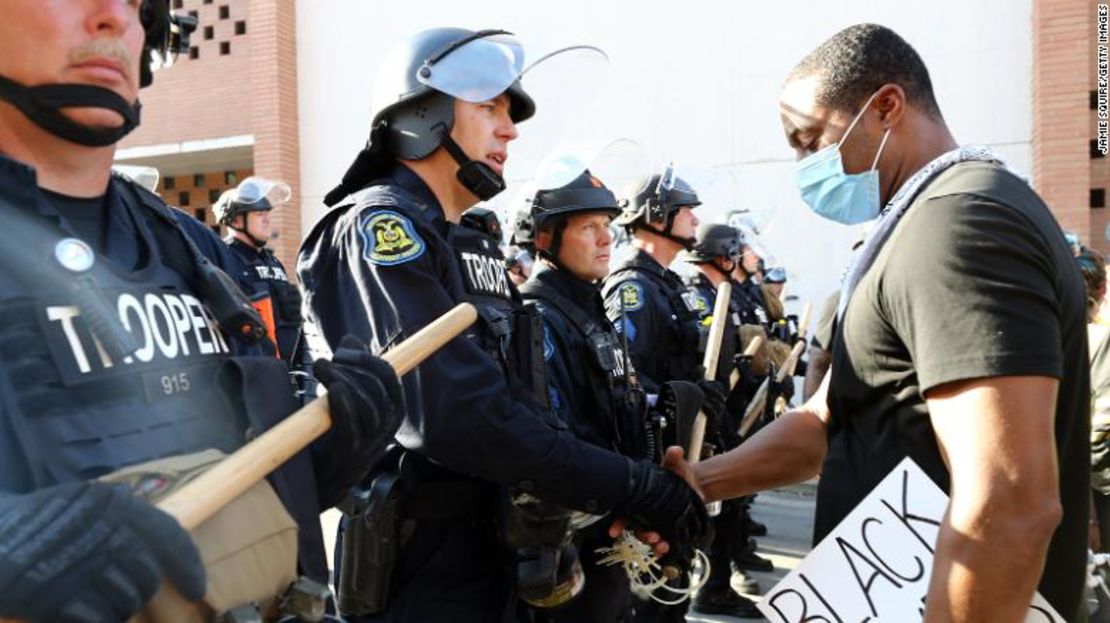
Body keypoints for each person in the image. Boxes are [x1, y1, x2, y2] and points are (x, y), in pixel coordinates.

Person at [0, 2, 405, 620]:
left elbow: (236, 477)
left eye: (137, 4)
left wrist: (322, 460)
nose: (113, 19)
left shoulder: (189, 248)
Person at [297, 28, 708, 623]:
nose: (510, 129)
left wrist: (594, 508)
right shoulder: (379, 229)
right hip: (425, 568)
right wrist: (634, 486)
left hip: (498, 552)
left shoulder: (465, 242)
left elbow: (528, 406)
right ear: (423, 113)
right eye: (488, 107)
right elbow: (460, 415)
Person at [681, 23, 1089, 621]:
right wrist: (698, 481)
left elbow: (1008, 500)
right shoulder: (918, 224)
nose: (802, 165)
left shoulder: (960, 222)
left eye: (810, 139)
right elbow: (828, 421)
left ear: (886, 107)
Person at [514, 169, 704, 622]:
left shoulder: (589, 310)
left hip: (612, 534)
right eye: (587, 227)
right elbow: (554, 448)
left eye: (606, 225)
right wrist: (640, 494)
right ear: (544, 238)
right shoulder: (536, 318)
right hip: (571, 546)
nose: (605, 239)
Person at [600, 170, 726, 623]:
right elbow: (622, 376)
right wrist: (676, 398)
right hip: (651, 457)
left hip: (677, 454)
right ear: (658, 215)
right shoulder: (632, 286)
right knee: (650, 594)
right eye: (687, 210)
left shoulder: (666, 283)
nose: (695, 219)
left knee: (674, 582)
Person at [681, 223, 763, 619]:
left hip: (728, 412)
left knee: (732, 504)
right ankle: (710, 588)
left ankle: (717, 583)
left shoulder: (721, 295)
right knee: (716, 505)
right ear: (723, 255)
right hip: (707, 419)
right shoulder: (695, 297)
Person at [214, 177, 305, 368]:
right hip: (253, 371)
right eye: (258, 214)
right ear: (237, 220)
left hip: (289, 370)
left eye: (267, 213)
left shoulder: (271, 261)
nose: (267, 220)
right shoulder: (224, 257)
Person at [1080, 247, 1110, 554]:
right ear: (1102, 289)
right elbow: (1101, 426)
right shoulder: (1102, 341)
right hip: (1099, 489)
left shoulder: (1053, 335)